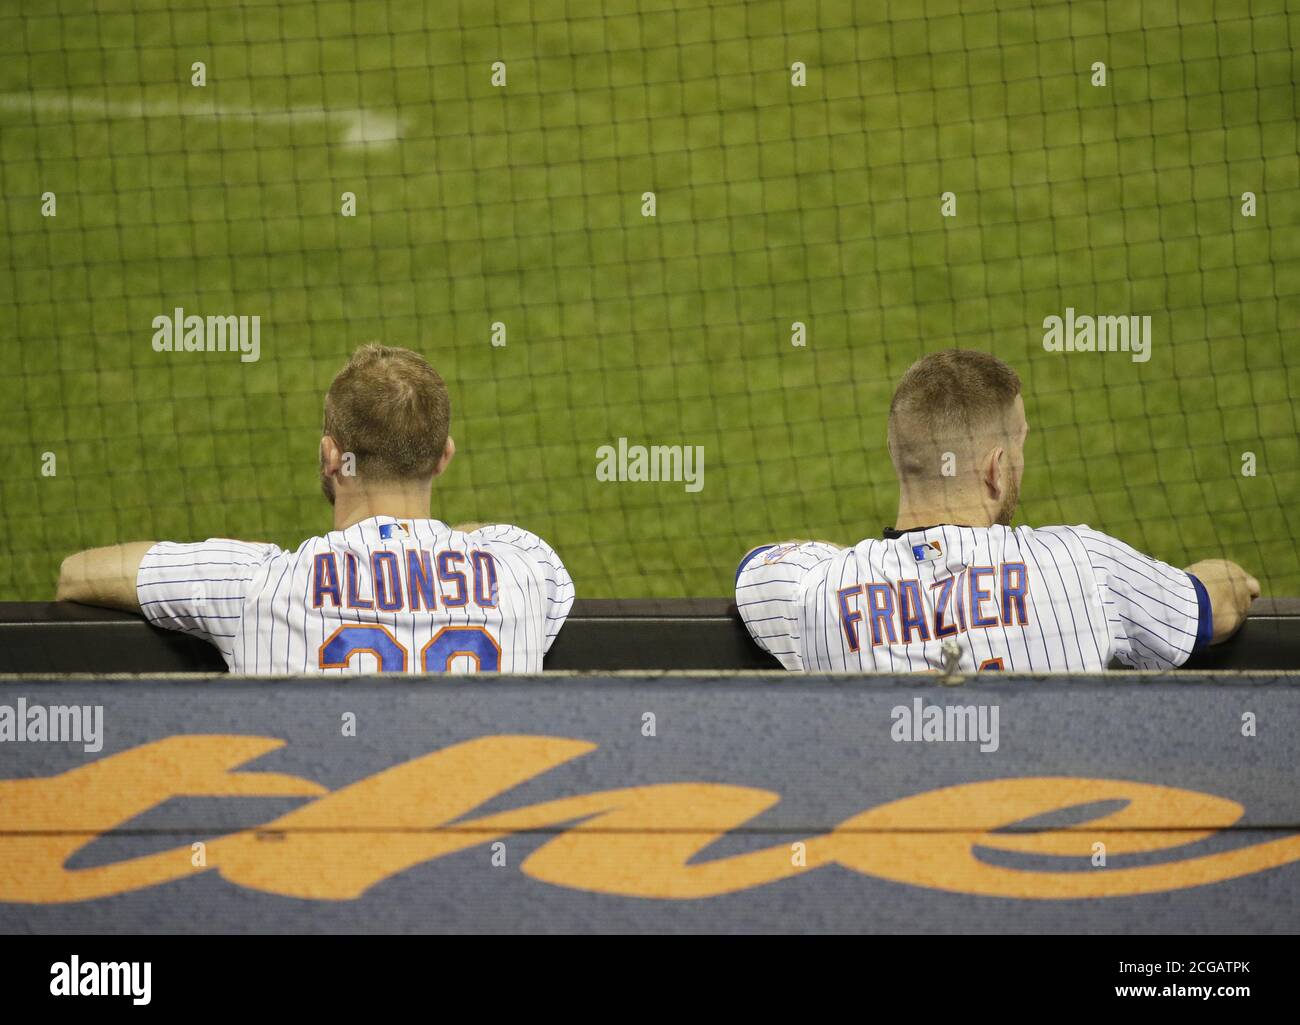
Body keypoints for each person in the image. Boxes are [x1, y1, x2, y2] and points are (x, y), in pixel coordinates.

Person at [57, 343, 574, 673]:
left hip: (315, 842)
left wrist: (230, 556)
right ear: (444, 457)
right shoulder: (523, 571)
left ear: (331, 456)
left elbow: (74, 576)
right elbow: (485, 539)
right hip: (471, 841)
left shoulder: (259, 585)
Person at [735, 349, 1259, 672]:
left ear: (899, 456)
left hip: (890, 849)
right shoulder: (1084, 565)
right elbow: (1209, 608)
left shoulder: (815, 594)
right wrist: (1231, 579)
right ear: (995, 467)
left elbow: (755, 567)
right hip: (1039, 843)